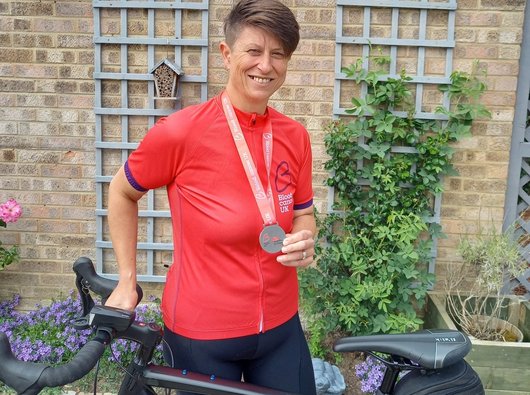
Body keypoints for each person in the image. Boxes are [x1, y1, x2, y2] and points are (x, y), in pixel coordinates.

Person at [105, 0, 317, 393]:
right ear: (226, 54)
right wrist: (126, 279)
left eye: (278, 55)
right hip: (202, 333)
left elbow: (303, 212)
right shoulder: (180, 132)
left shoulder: (295, 136)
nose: (265, 65)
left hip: (280, 327)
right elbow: (121, 191)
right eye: (254, 51)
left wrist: (306, 236)